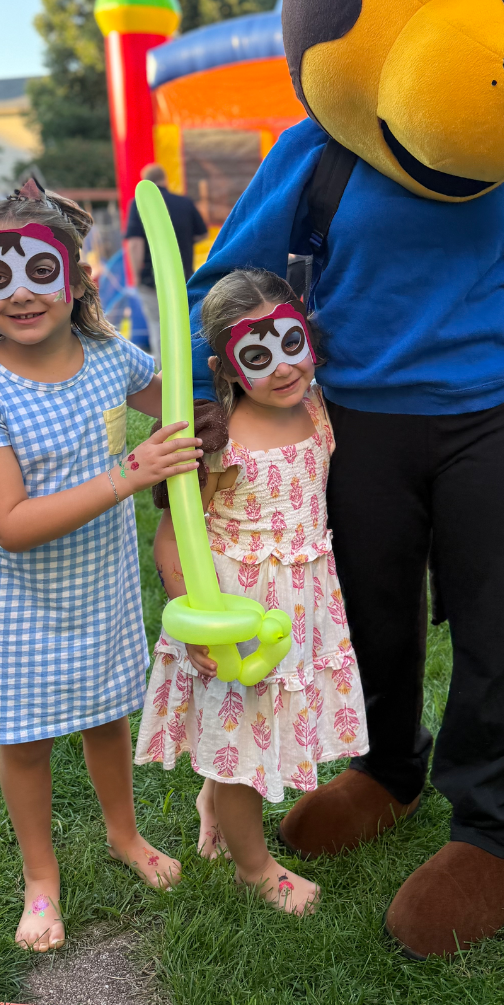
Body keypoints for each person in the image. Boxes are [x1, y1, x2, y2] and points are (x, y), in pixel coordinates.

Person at [0, 179, 202, 952]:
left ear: (79, 279)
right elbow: (11, 524)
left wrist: (228, 401)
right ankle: (41, 879)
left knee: (105, 717)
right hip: (14, 597)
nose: (21, 293)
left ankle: (125, 835)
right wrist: (131, 474)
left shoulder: (112, 358)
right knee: (25, 741)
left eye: (40, 270)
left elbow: (175, 401)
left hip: (98, 583)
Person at [135, 267, 368, 915]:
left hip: (302, 605)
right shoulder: (216, 441)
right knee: (243, 744)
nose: (284, 367)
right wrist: (197, 623)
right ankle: (255, 869)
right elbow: (171, 541)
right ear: (225, 367)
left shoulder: (318, 408)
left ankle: (213, 800)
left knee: (247, 733)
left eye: (292, 343)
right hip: (237, 615)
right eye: (258, 356)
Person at [123, 164, 206, 369]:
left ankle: (165, 374)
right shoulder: (184, 202)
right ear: (165, 179)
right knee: (184, 325)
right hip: (183, 276)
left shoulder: (140, 203)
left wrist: (136, 275)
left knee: (158, 326)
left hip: (151, 278)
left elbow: (135, 243)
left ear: (145, 181)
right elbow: (202, 233)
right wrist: (184, 241)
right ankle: (190, 370)